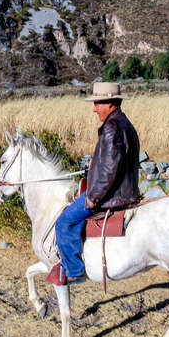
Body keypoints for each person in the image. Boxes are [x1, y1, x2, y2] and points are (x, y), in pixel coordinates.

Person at [55, 82, 140, 285]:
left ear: (110, 103)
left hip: (112, 194)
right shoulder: (124, 122)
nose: (94, 108)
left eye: (98, 104)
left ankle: (74, 270)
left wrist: (94, 197)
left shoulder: (111, 127)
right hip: (125, 190)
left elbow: (109, 170)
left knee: (64, 221)